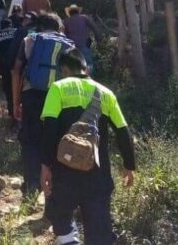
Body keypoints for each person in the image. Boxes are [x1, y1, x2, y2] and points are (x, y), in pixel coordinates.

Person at [41, 48, 136, 245]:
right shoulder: (106, 93)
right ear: (86, 68)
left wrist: (45, 166)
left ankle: (69, 241)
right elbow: (122, 131)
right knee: (99, 229)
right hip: (97, 173)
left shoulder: (58, 88)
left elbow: (49, 130)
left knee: (60, 214)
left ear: (64, 69)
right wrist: (129, 165)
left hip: (64, 170)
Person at [11, 13, 75, 194]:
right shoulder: (69, 45)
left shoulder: (30, 40)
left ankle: (31, 187)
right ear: (59, 27)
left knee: (30, 140)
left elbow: (16, 71)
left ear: (40, 27)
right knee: (55, 140)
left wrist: (16, 103)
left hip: (32, 95)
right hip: (59, 98)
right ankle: (54, 189)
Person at [63, 4, 103, 72]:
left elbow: (63, 34)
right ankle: (89, 79)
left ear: (69, 13)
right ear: (78, 12)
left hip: (71, 46)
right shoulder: (84, 18)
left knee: (72, 65)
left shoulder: (66, 21)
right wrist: (98, 38)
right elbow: (94, 28)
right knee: (88, 64)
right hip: (83, 44)